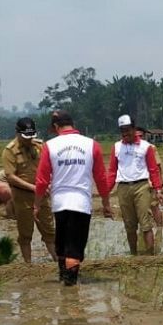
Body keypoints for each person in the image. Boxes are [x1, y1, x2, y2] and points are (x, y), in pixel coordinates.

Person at [34, 110, 113, 286]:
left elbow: (41, 180)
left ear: (56, 126)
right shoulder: (91, 145)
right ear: (73, 124)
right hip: (81, 204)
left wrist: (37, 205)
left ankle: (64, 282)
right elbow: (101, 178)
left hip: (59, 204)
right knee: (74, 250)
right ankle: (70, 292)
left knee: (62, 246)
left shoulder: (50, 146)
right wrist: (106, 204)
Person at [3, 117, 56, 263]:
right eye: (26, 137)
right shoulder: (10, 151)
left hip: (42, 196)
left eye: (31, 136)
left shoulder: (39, 146)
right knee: (25, 234)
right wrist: (33, 187)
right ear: (18, 133)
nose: (29, 140)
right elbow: (11, 177)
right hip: (22, 198)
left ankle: (58, 262)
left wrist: (48, 182)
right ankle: (28, 266)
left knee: (49, 231)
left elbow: (49, 167)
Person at [109, 115, 163, 255]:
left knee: (145, 224)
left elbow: (153, 169)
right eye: (122, 130)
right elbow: (111, 171)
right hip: (123, 188)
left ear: (134, 129)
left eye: (127, 130)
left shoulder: (146, 147)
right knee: (129, 225)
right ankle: (134, 255)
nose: (125, 133)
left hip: (142, 187)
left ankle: (150, 255)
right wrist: (105, 191)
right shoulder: (116, 147)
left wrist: (158, 190)